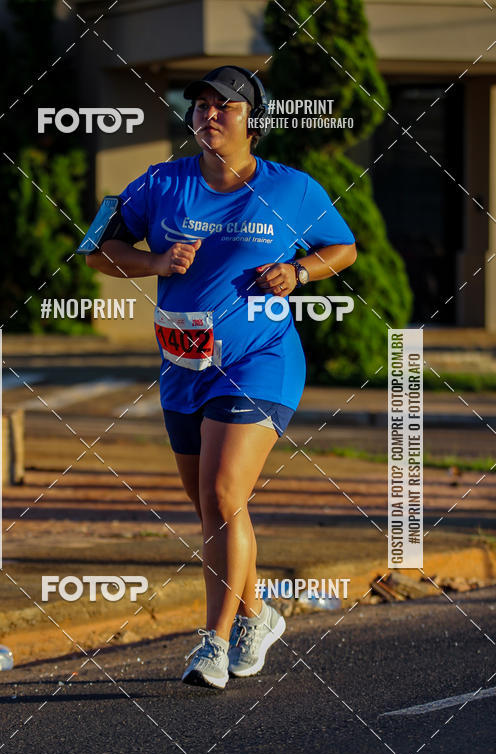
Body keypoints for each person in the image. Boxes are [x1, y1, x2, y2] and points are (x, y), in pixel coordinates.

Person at [85, 65, 357, 690]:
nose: (210, 115)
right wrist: (153, 259)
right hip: (184, 364)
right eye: (201, 105)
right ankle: (257, 615)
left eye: (225, 107)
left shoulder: (292, 190)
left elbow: (341, 247)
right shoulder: (160, 183)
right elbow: (98, 249)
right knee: (210, 504)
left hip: (261, 358)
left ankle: (211, 642)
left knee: (224, 494)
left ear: (253, 121)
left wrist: (300, 274)